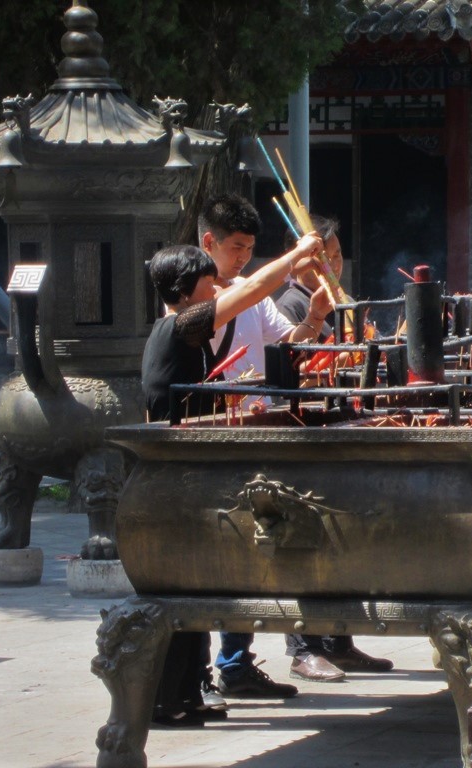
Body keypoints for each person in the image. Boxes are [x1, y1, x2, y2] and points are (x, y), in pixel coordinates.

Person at [142, 234, 328, 725]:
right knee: (181, 594)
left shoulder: (189, 333)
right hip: (172, 478)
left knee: (195, 592)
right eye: (211, 281)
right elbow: (249, 293)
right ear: (187, 288)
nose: (220, 288)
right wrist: (293, 258)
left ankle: (187, 691)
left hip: (189, 474)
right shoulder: (178, 324)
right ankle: (169, 697)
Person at [195, 194, 338, 702]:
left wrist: (317, 314)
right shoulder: (193, 297)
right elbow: (257, 285)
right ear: (208, 242)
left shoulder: (254, 293)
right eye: (235, 247)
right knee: (216, 558)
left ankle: (236, 662)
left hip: (258, 431)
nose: (241, 258)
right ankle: (203, 672)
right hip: (214, 434)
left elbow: (289, 342)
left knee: (255, 552)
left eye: (249, 249)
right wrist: (294, 258)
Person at [275, 214, 395, 683]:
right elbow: (293, 367)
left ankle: (340, 639)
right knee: (306, 542)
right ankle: (305, 647)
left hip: (341, 429)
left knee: (343, 538)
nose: (333, 264)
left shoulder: (341, 304)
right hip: (305, 432)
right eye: (322, 257)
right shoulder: (289, 305)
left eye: (338, 255)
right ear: (298, 261)